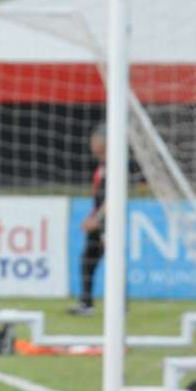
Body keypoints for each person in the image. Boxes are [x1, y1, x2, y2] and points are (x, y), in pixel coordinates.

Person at [69, 124, 106, 316]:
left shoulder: (113, 166)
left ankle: (89, 303)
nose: (92, 144)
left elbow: (113, 198)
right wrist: (91, 217)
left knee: (101, 261)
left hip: (106, 224)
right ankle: (86, 303)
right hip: (98, 222)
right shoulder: (102, 166)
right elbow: (100, 198)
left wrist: (98, 220)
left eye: (95, 140)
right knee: (87, 260)